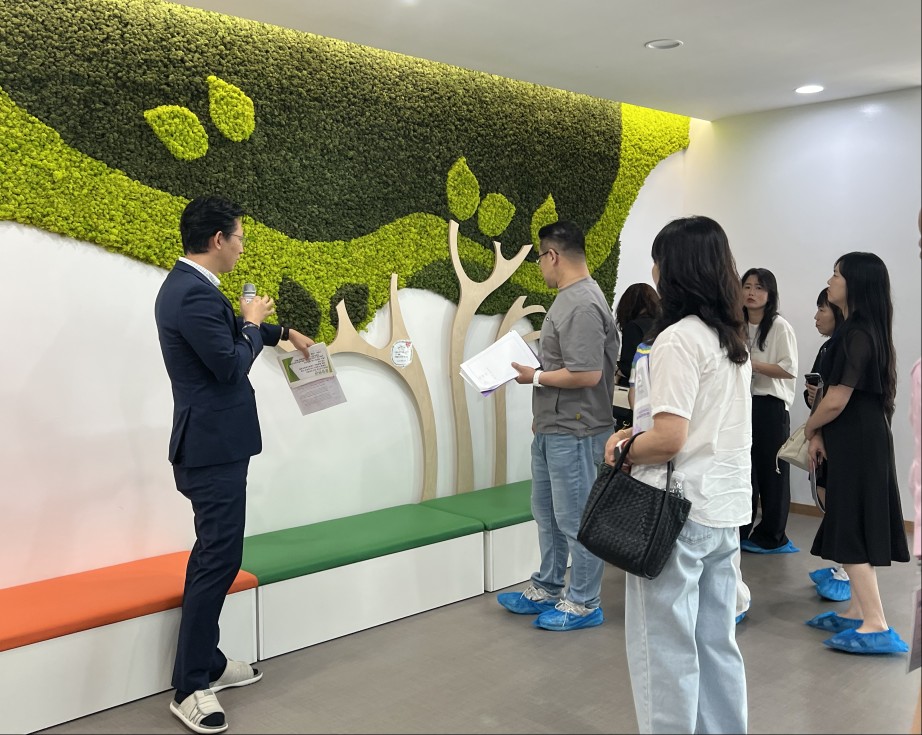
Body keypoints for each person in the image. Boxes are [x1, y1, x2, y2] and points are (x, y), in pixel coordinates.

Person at [155, 195, 314, 733]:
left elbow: (234, 335)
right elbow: (229, 365)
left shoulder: (195, 289)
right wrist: (251, 324)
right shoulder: (189, 295)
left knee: (219, 556)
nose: (243, 246)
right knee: (216, 560)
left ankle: (212, 663)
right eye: (240, 236)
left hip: (217, 446)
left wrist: (282, 330)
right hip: (210, 449)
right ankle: (190, 685)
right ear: (218, 240)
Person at [604, 215, 751, 733]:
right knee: (716, 644)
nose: (653, 269)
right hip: (722, 510)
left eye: (658, 259)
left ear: (675, 270)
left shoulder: (676, 341)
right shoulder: (730, 341)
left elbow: (668, 439)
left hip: (676, 514)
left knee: (663, 648)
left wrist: (623, 445)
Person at [498, 220, 619, 631]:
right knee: (547, 513)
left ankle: (584, 602)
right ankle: (548, 586)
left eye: (539, 260)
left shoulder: (582, 303)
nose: (540, 268)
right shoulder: (570, 299)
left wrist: (533, 377)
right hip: (555, 426)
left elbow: (586, 374)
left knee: (576, 519)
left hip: (579, 431)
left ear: (552, 256)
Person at [804, 252, 910, 654]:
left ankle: (875, 622)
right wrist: (819, 435)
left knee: (850, 525)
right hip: (854, 437)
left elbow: (835, 400)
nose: (830, 282)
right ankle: (856, 610)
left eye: (835, 276)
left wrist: (810, 428)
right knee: (847, 521)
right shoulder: (857, 331)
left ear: (856, 285)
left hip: (858, 440)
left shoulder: (858, 334)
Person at [739, 267, 799, 554]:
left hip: (770, 406)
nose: (751, 292)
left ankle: (772, 535)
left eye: (759, 288)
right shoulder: (734, 323)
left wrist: (752, 365)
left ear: (770, 294)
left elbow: (789, 370)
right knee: (743, 471)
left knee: (771, 472)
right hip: (740, 405)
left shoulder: (778, 326)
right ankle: (740, 528)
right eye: (747, 286)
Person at [803, 288, 850, 601]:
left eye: (822, 309)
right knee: (825, 495)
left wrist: (812, 425)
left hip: (842, 436)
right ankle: (843, 564)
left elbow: (838, 399)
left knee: (841, 501)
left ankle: (848, 569)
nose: (816, 316)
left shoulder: (850, 344)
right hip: (824, 434)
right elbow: (821, 395)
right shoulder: (827, 349)